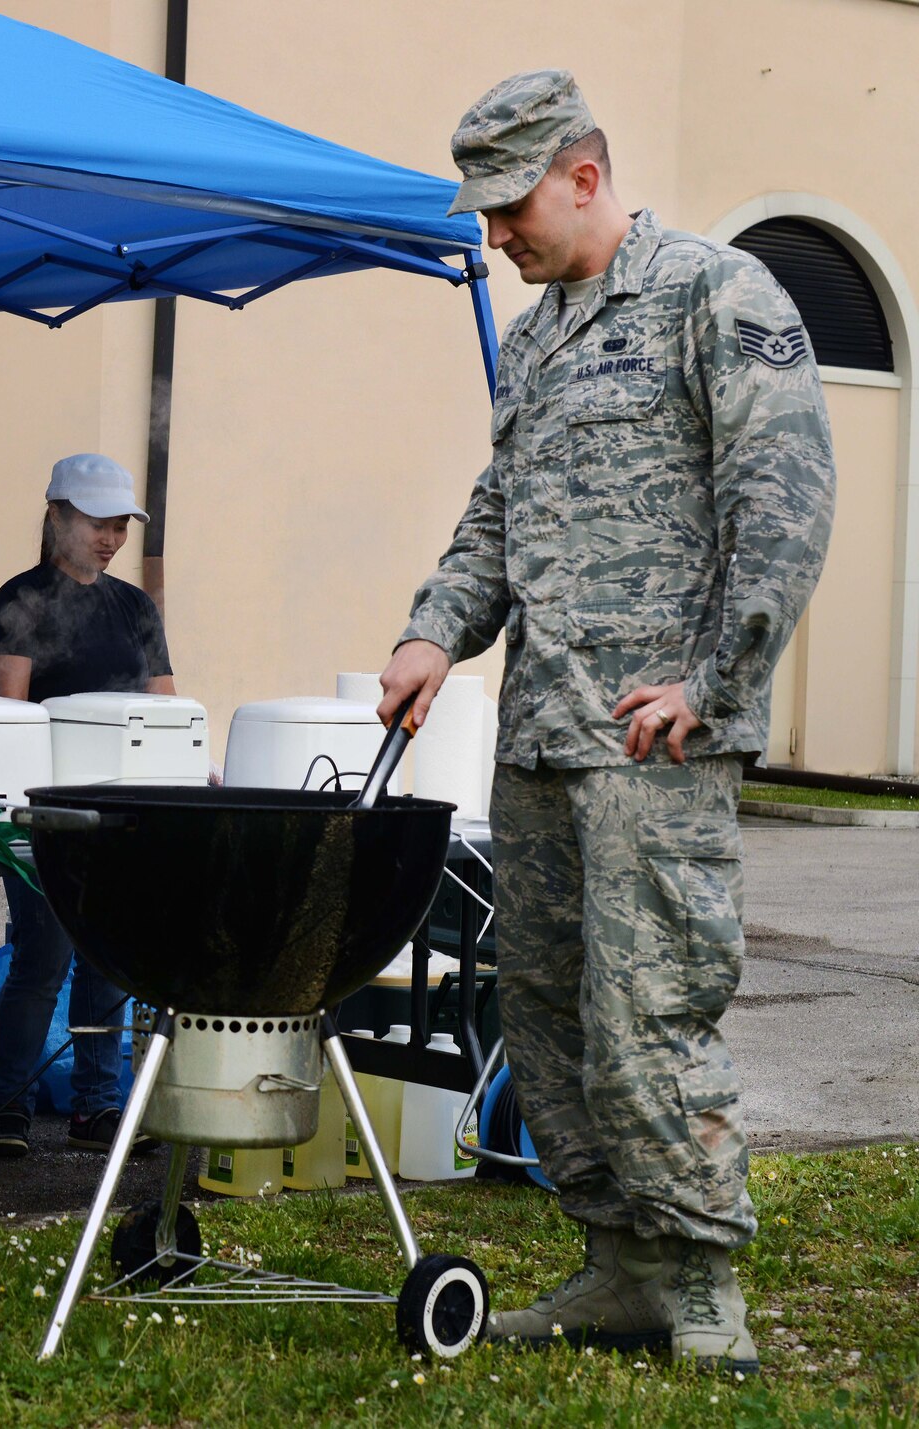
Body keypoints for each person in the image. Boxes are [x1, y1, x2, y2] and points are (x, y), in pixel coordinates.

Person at [379, 71, 835, 1373]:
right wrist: (433, 631)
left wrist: (714, 682)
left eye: (511, 208)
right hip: (540, 740)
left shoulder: (714, 293)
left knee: (650, 1014)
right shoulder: (532, 341)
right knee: (546, 1015)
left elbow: (785, 496)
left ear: (585, 177)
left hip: (655, 747)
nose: (495, 238)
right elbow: (498, 513)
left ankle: (701, 1281)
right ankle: (619, 1267)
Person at [0, 453, 175, 1158]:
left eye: (121, 525)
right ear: (56, 515)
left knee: (109, 962)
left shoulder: (136, 608)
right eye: (99, 522)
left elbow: (165, 708)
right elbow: (10, 719)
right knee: (43, 959)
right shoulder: (19, 601)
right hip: (46, 814)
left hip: (123, 814)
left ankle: (97, 1107)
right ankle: (7, 1110)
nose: (112, 538)